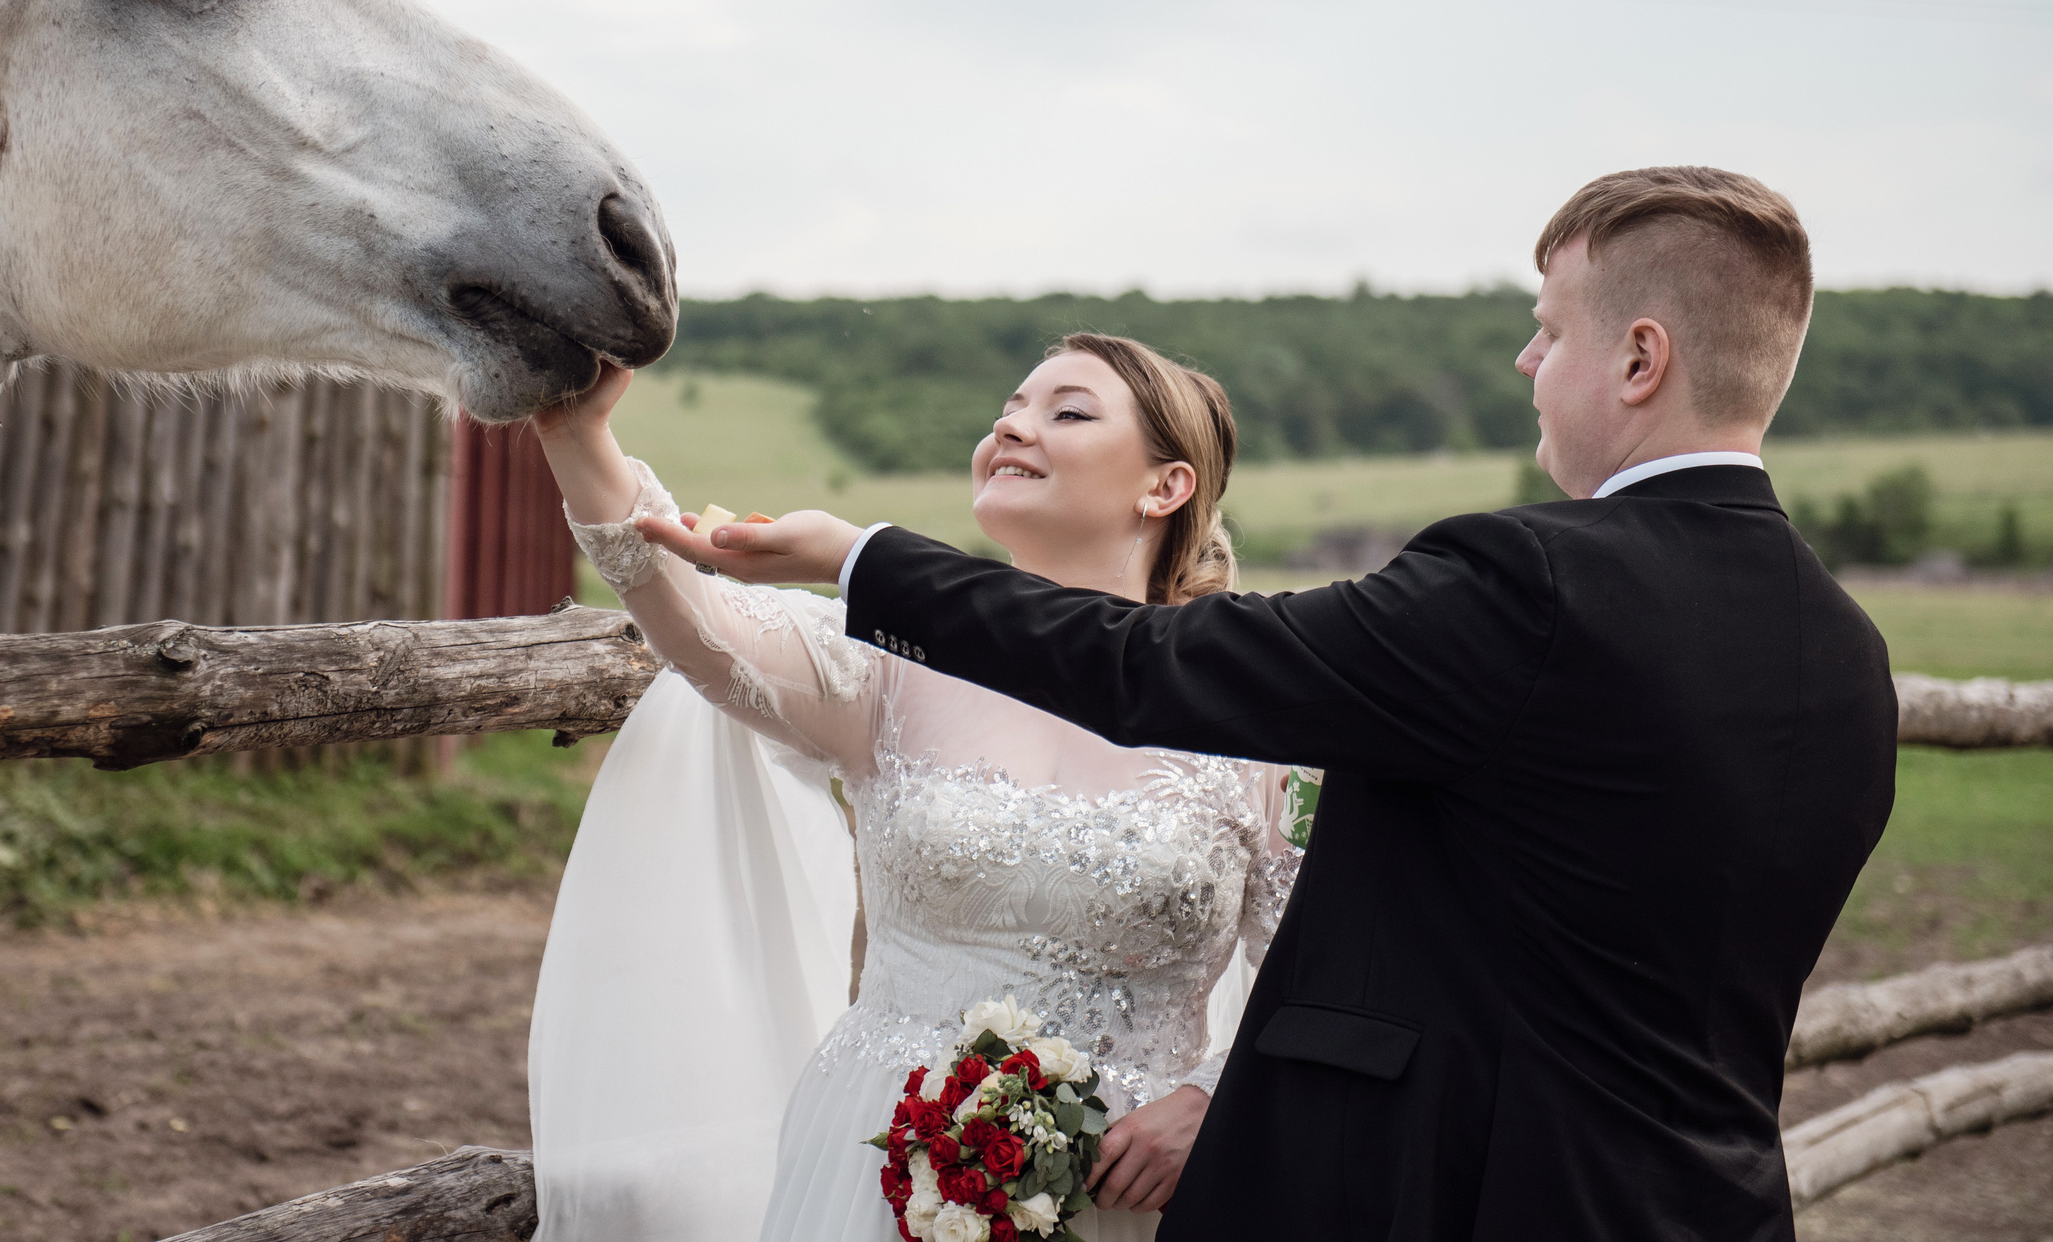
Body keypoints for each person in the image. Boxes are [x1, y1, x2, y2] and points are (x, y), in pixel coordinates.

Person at [651, 167, 1898, 1242]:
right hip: (1710, 1203)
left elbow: (1156, 666)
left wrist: (862, 558)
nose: (1525, 360)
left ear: (1639, 357)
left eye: (1549, 330)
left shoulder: (1534, 585)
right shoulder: (1846, 658)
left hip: (1474, 1194)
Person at [527, 334, 1301, 1242]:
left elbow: (1315, 964)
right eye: (1010, 407)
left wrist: (1213, 1097)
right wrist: (578, 437)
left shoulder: (1249, 718)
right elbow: (693, 615)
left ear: (1165, 487)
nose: (1014, 426)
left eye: (1068, 411)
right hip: (879, 1165)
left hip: (1131, 1191)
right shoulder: (888, 671)